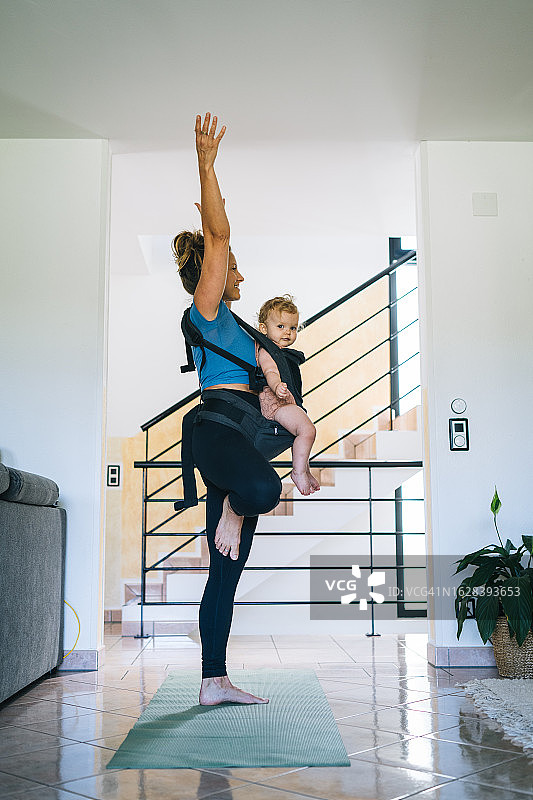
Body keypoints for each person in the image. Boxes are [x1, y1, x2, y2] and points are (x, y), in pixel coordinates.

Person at [172, 113, 281, 706]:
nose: (237, 272)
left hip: (237, 437)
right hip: (215, 433)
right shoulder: (207, 310)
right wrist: (207, 165)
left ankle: (214, 682)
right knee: (262, 492)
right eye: (230, 267)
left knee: (227, 572)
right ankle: (233, 512)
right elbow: (217, 237)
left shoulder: (235, 326)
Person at [256, 296, 320, 496]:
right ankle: (298, 472)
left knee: (299, 436)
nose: (288, 332)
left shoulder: (281, 352)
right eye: (281, 326)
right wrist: (276, 386)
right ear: (264, 329)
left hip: (283, 402)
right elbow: (269, 371)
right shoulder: (267, 349)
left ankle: (304, 469)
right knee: (307, 430)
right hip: (277, 404)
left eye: (293, 328)